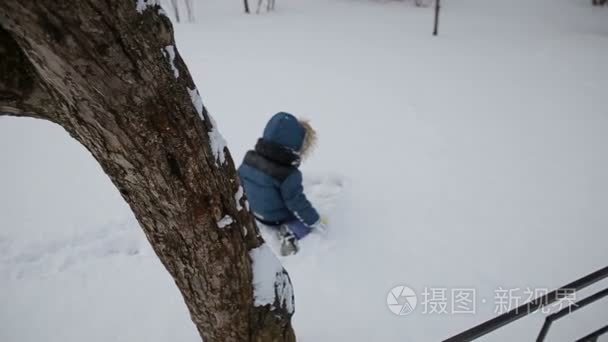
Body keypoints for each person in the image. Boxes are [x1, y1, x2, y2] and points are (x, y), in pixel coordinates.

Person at [238, 112, 326, 255]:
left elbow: (240, 180)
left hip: (253, 210)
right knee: (303, 224)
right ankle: (290, 232)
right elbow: (297, 203)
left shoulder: (249, 158)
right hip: (274, 218)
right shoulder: (288, 174)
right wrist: (314, 220)